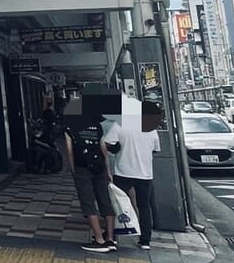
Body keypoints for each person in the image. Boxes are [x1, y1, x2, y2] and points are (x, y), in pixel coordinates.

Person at [104, 102, 162, 250]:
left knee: (116, 203)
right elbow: (156, 149)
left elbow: (108, 143)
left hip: (123, 171)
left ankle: (112, 236)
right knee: (144, 206)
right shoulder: (151, 127)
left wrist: (117, 149)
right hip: (145, 173)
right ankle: (145, 240)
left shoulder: (120, 125)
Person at [63, 102, 117, 253]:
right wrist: (108, 171)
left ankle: (99, 240)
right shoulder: (96, 126)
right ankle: (110, 239)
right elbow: (103, 150)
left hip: (82, 168)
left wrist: (73, 170)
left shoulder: (70, 128)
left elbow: (70, 151)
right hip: (99, 167)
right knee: (105, 200)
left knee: (88, 202)